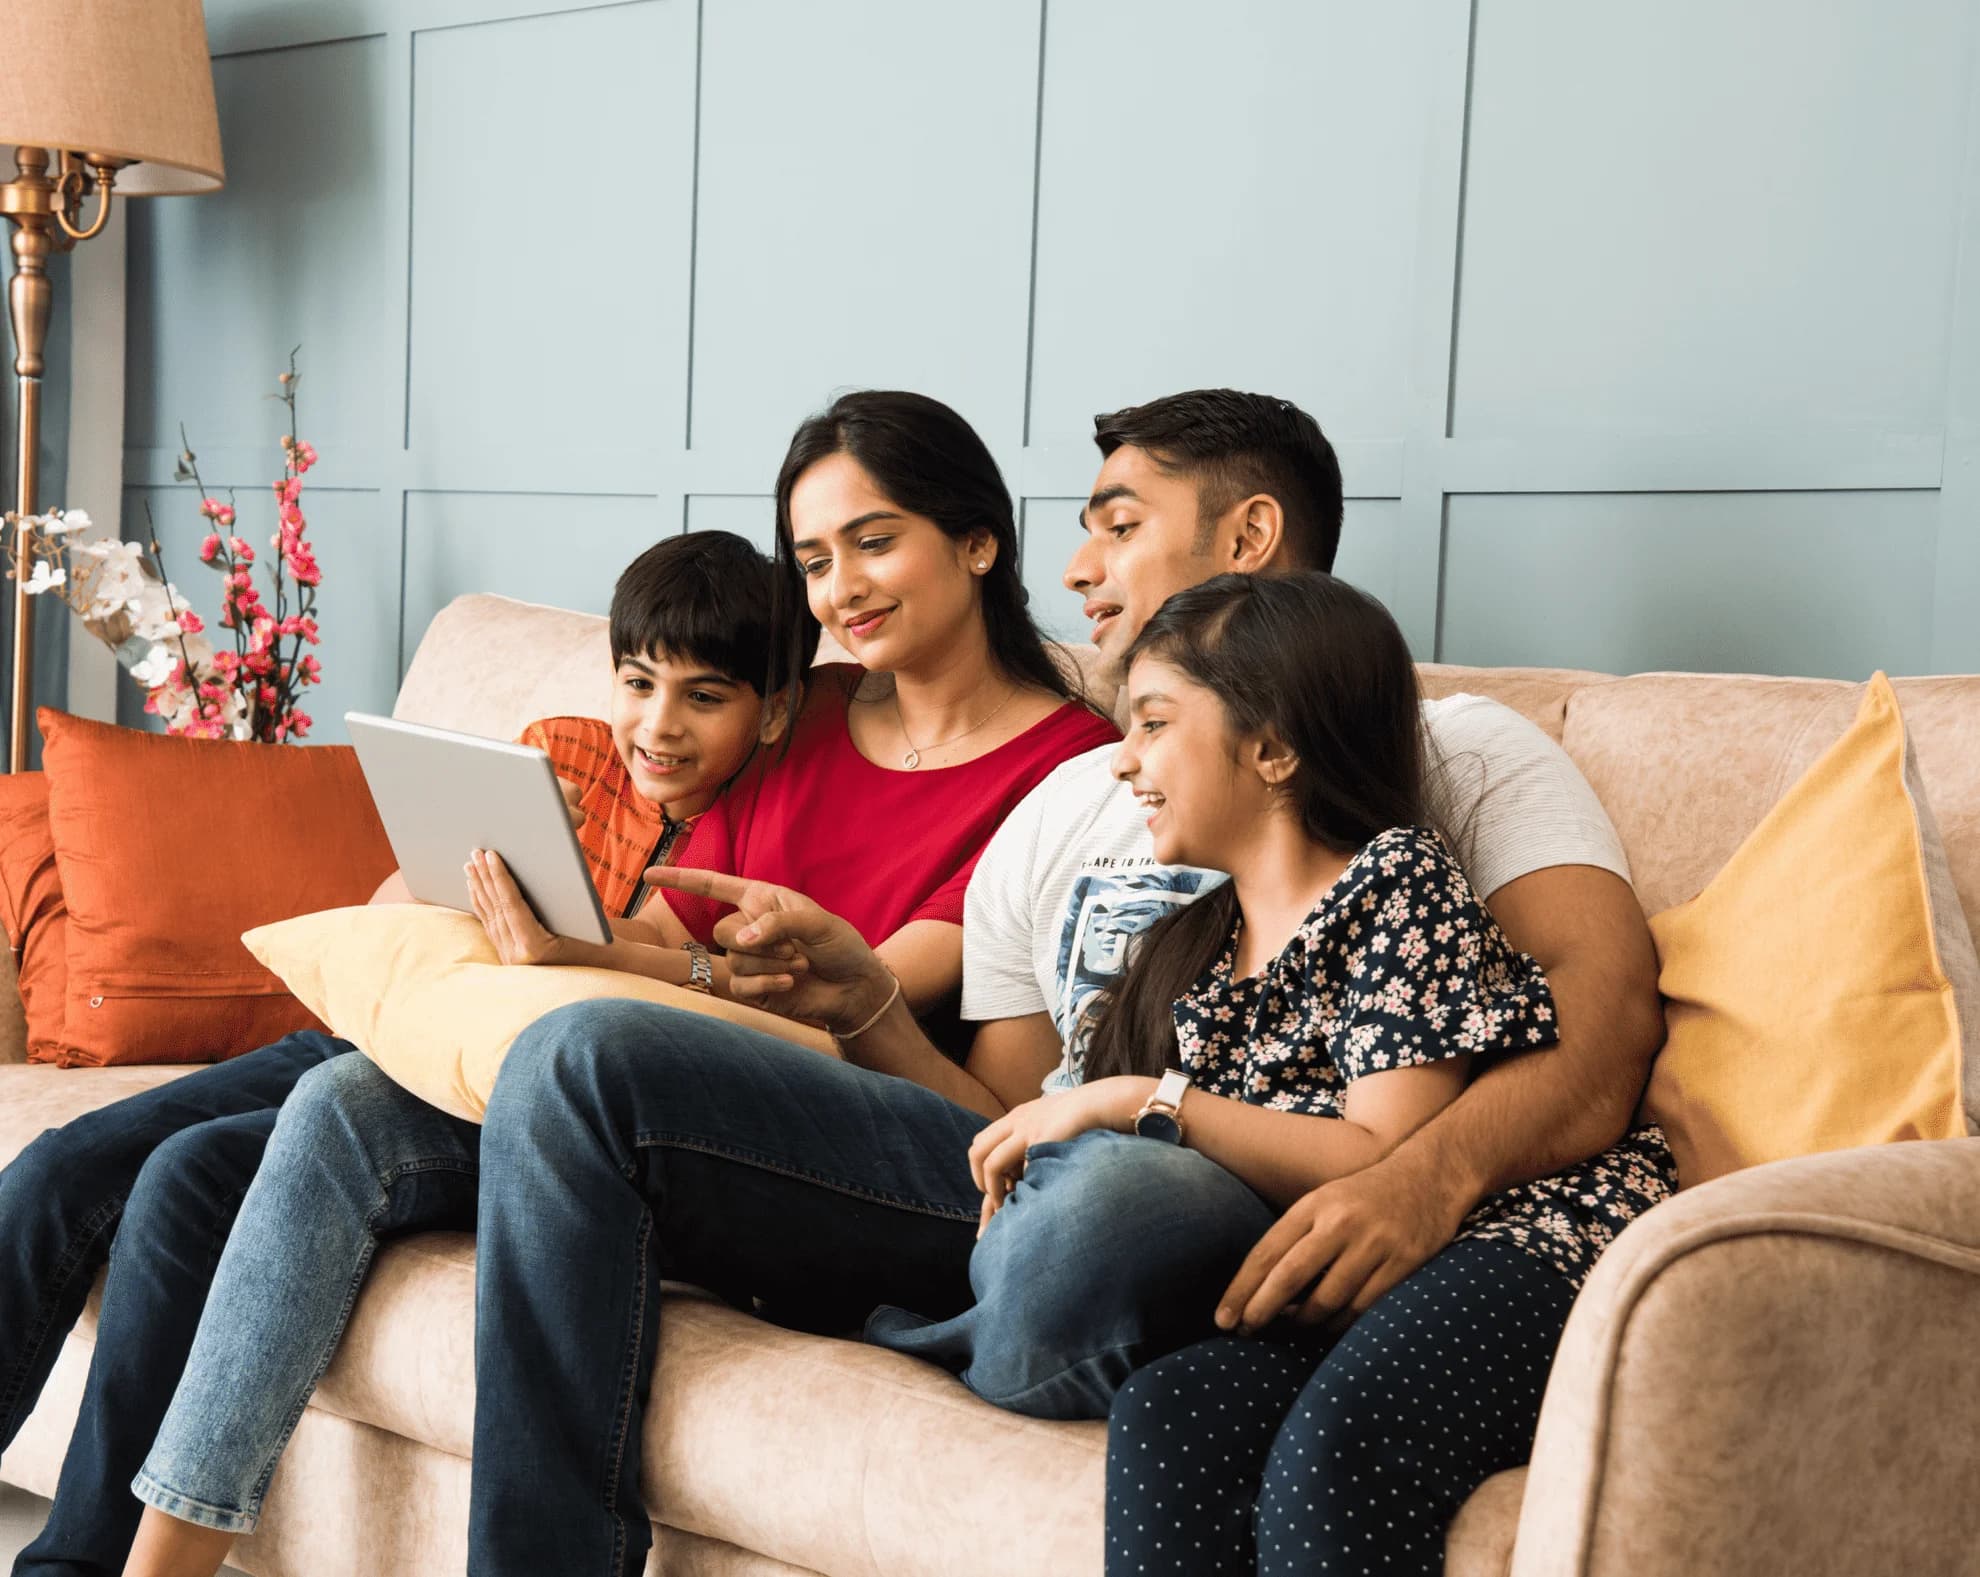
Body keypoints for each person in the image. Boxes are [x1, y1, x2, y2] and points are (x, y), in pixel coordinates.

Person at [450, 389, 1665, 1574]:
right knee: (578, 1058)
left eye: (1118, 524)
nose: (1078, 569)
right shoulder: (1071, 802)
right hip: (1022, 1184)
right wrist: (862, 997)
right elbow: (997, 1116)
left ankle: (915, 1312)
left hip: (1202, 1189)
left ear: (1245, 540)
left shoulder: (1441, 752)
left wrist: (1419, 1179)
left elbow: (1601, 1031)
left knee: (1111, 1205)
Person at [117, 390, 1116, 1577]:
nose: (841, 585)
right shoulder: (811, 711)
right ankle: (161, 1562)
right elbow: (662, 924)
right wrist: (540, 929)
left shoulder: (1068, 768)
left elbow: (821, 991)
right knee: (336, 1109)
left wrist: (592, 962)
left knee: (577, 1048)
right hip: (656, 1093)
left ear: (979, 540)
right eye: (813, 556)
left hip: (855, 1122)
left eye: (875, 538)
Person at [0, 527, 803, 1577]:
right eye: (639, 681)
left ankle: (74, 1564)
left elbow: (714, 1006)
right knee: (62, 1166)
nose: (658, 725)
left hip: (459, 1097)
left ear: (769, 709)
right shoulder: (560, 748)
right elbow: (384, 906)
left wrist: (593, 943)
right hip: (381, 1022)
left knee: (182, 1178)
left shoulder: (759, 834)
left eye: (704, 697)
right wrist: (488, 863)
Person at [870, 570, 1677, 1575]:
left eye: (1155, 723)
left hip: (1523, 1235)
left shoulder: (1398, 883)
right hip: (1339, 1268)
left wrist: (1139, 1101)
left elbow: (1383, 1151)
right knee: (1171, 1411)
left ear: (1275, 747)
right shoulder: (1199, 950)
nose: (1124, 762)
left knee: (1343, 1453)